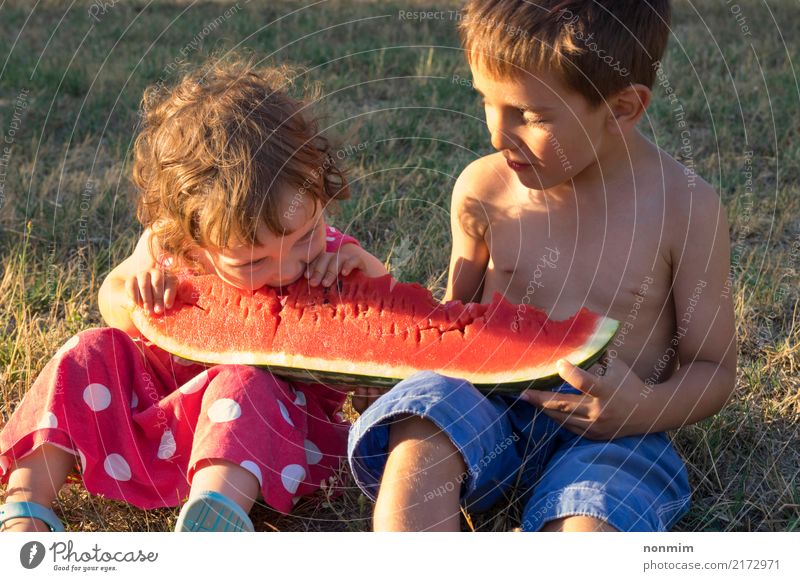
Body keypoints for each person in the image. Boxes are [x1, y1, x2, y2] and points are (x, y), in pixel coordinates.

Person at [348, 0, 736, 532]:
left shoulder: (687, 210)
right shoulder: (482, 190)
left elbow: (713, 369)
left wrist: (643, 409)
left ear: (622, 107)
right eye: (487, 101)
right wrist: (384, 360)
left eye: (528, 116)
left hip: (616, 433)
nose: (495, 135)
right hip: (483, 403)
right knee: (421, 434)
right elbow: (452, 328)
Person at [0, 56, 386, 532]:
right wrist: (135, 293)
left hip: (273, 436)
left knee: (245, 379)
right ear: (194, 241)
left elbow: (386, 323)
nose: (290, 266)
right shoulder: (167, 248)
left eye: (306, 235)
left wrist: (360, 274)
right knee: (85, 350)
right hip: (156, 421)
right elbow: (113, 301)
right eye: (252, 262)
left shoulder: (333, 258)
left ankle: (215, 514)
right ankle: (28, 499)